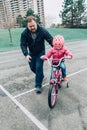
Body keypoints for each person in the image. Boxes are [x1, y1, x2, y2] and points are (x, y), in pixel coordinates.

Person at [20, 15, 53, 93]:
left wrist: (57, 49)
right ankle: (40, 75)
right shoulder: (24, 33)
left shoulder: (42, 31)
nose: (32, 28)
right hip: (31, 53)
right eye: (30, 26)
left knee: (38, 67)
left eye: (33, 25)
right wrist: (26, 54)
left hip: (40, 52)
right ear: (27, 26)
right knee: (32, 68)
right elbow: (23, 44)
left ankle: (38, 86)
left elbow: (50, 39)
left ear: (36, 23)